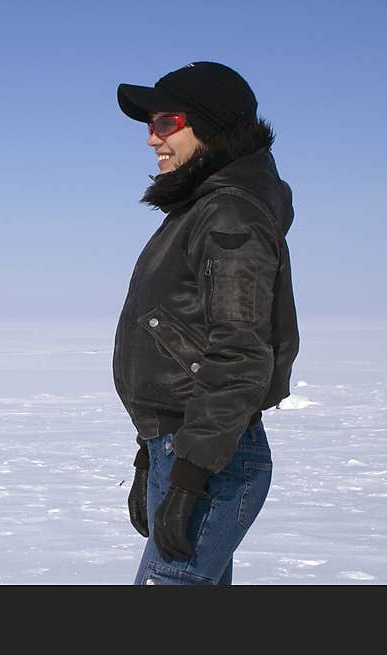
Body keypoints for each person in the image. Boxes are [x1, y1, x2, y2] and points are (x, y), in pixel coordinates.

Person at [112, 62, 299, 585]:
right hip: (191, 449)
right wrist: (150, 453)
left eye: (166, 122)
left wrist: (190, 478)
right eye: (150, 124)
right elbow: (177, 344)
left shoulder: (229, 214)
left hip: (211, 459)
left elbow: (240, 354)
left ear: (211, 126)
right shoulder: (200, 211)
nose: (152, 138)